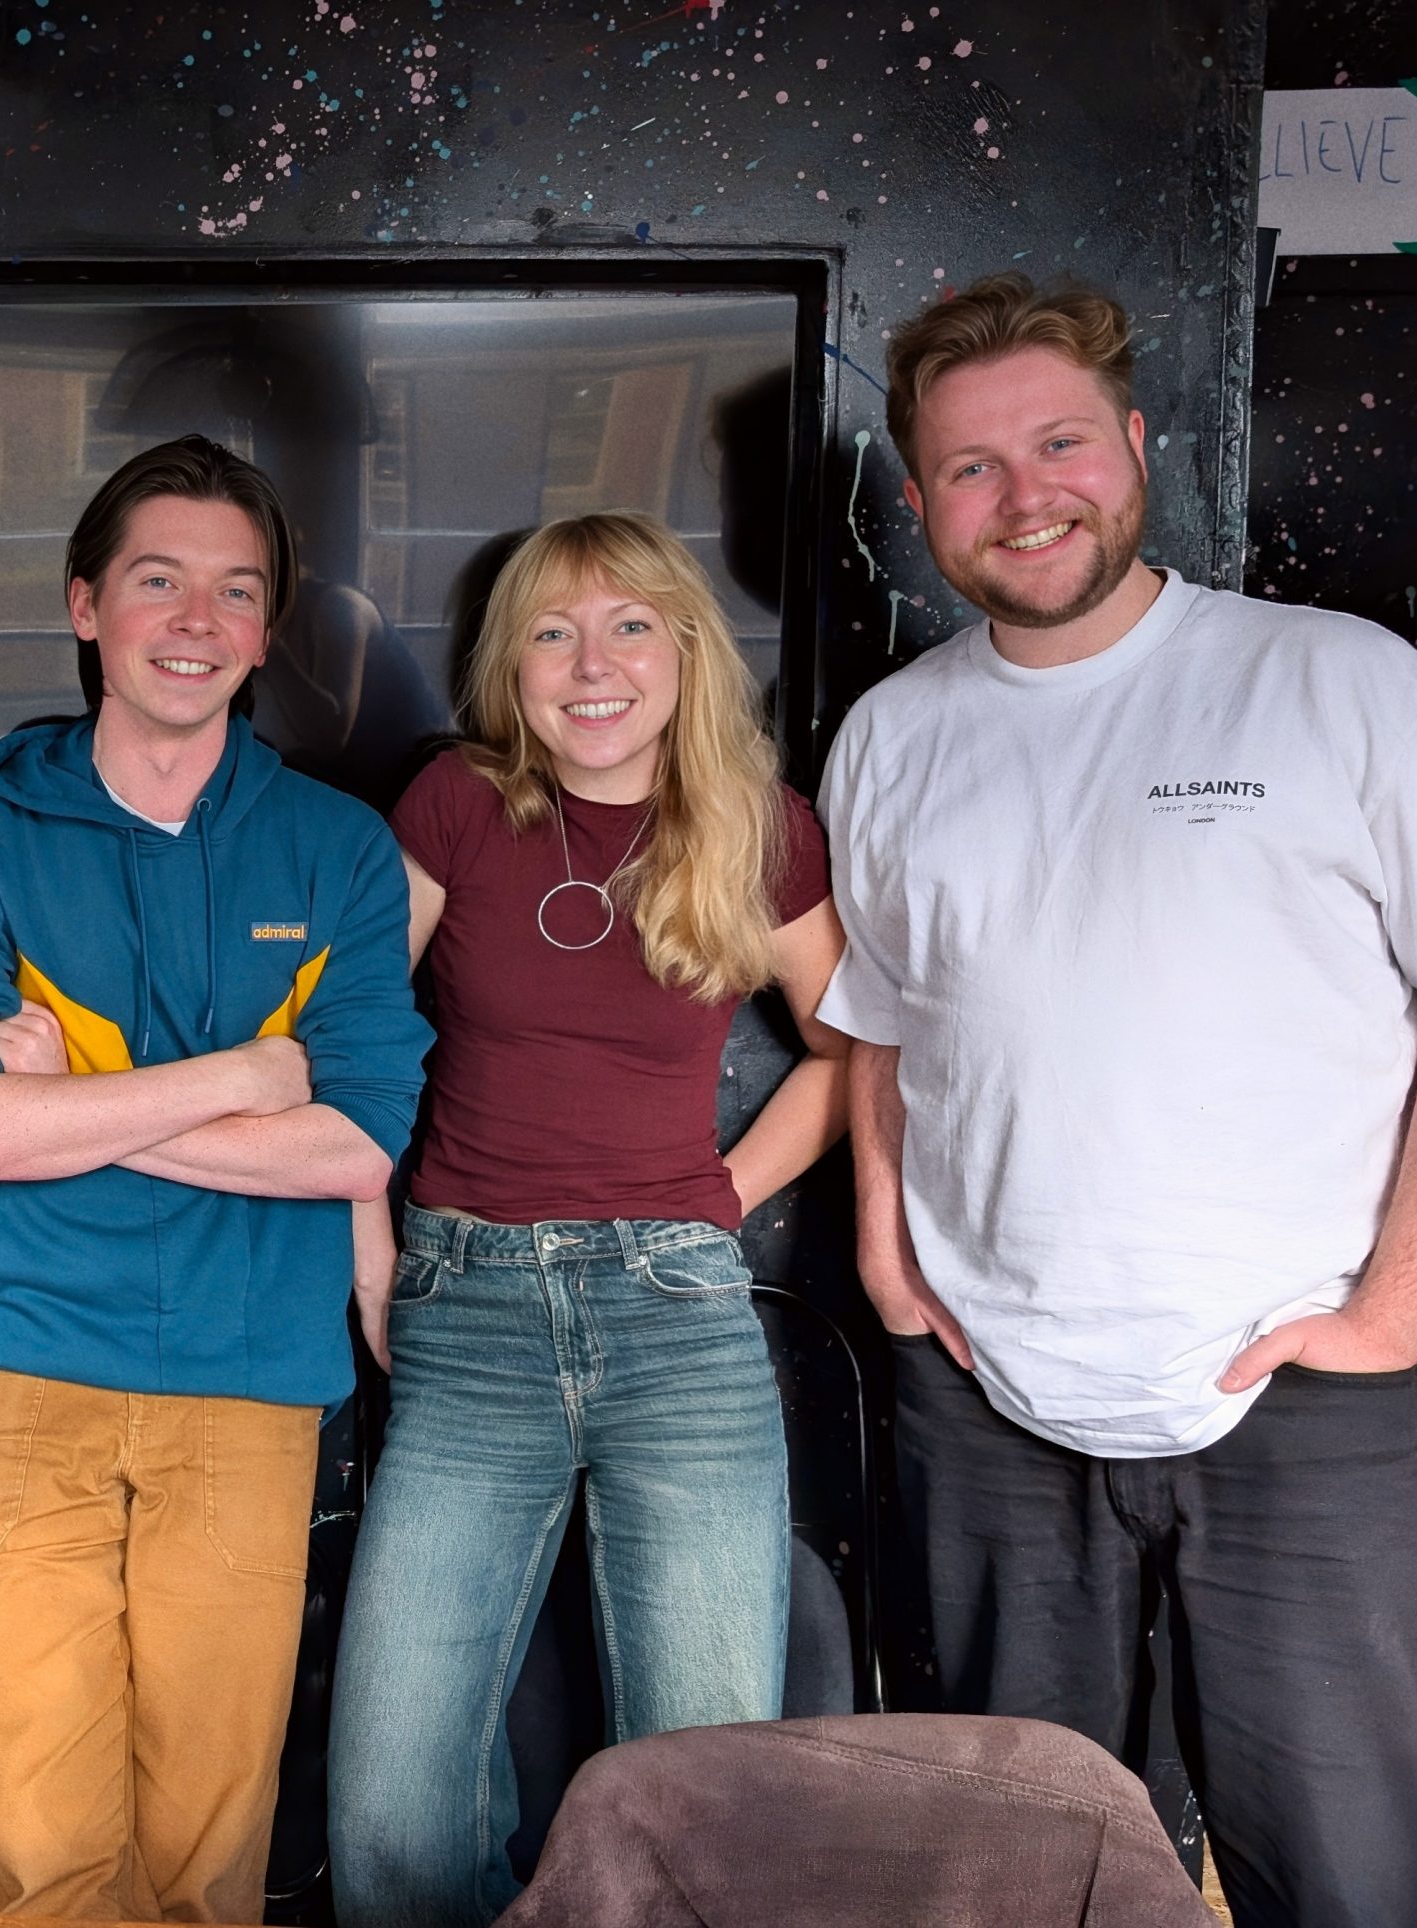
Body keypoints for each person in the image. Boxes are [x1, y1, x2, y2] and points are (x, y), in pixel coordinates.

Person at [818, 272, 1417, 1928]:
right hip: (990, 1400)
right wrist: (884, 1252)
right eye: (972, 466)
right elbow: (884, 1019)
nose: (1026, 496)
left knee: (1353, 1876)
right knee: (1019, 1874)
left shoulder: (1345, 683)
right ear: (921, 502)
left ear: (1139, 445)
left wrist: (1395, 1306)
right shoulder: (890, 738)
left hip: (1304, 1392)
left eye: (1061, 444)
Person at [0, 435, 432, 1925]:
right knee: (49, 1863)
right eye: (158, 581)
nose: (197, 621)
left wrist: (72, 1104)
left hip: (251, 1395)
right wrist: (249, 1075)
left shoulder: (338, 850)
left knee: (206, 1869)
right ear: (84, 606)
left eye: (235, 590)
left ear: (265, 628)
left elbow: (357, 1144)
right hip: (27, 1382)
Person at [326, 511, 851, 1928]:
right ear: (513, 665)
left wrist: (718, 1199)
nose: (592, 663)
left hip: (678, 1321)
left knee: (708, 1791)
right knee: (392, 1808)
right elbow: (351, 1038)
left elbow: (853, 1050)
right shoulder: (454, 804)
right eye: (552, 633)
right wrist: (372, 1249)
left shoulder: (758, 826)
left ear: (686, 651)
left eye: (629, 626)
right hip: (466, 1311)